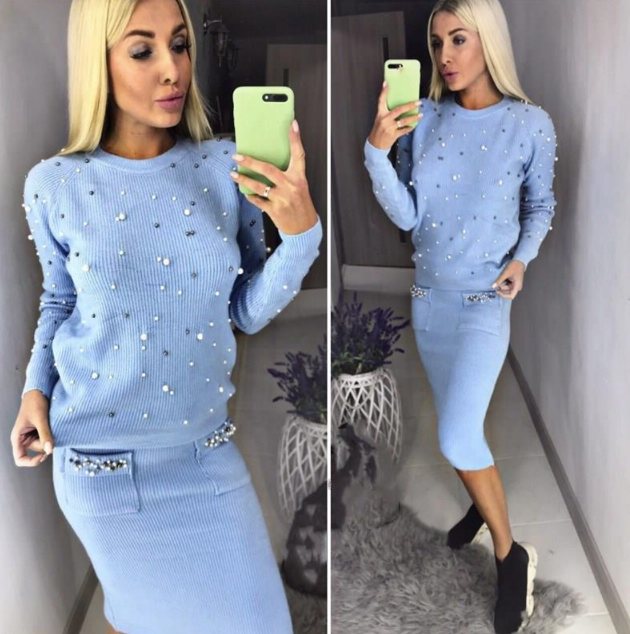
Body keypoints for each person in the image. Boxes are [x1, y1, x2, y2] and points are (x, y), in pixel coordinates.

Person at [11, 0, 322, 632]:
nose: (172, 69)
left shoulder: (225, 166)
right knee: (139, 619)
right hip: (101, 468)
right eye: (142, 50)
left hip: (205, 453)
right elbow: (60, 301)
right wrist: (33, 390)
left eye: (179, 44)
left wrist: (301, 237)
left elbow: (245, 310)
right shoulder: (53, 184)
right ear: (98, 62)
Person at [363, 0, 557, 632]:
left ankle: (510, 554)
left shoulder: (529, 124)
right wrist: (377, 152)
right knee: (461, 424)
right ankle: (478, 503)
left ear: (488, 42)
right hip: (429, 302)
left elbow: (540, 205)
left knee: (454, 435)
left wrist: (522, 259)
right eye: (437, 42)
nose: (444, 56)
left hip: (483, 303)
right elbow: (407, 215)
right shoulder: (423, 119)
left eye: (459, 40)